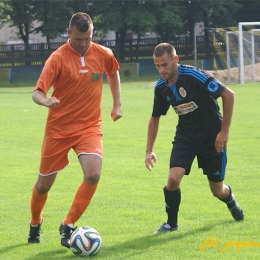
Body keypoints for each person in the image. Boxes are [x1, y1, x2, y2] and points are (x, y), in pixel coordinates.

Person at [28, 12, 122, 248]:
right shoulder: (57, 58)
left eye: (87, 38)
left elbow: (113, 71)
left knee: (93, 174)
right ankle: (35, 222)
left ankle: (68, 225)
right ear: (69, 33)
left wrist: (117, 104)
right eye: (79, 39)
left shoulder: (103, 54)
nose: (83, 44)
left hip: (89, 126)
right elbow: (37, 92)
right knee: (43, 185)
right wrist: (45, 101)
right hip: (58, 130)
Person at [145, 43, 244, 234]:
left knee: (217, 190)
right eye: (157, 66)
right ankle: (171, 224)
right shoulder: (161, 88)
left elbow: (228, 95)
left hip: (213, 139)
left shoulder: (193, 76)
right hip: (186, 137)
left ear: (175, 60)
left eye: (164, 64)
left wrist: (224, 132)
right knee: (173, 179)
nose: (161, 70)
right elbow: (155, 117)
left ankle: (230, 200)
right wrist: (149, 150)